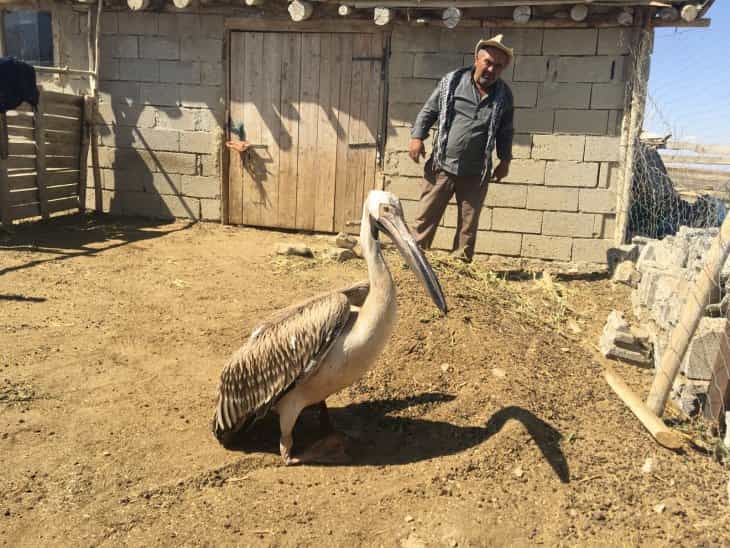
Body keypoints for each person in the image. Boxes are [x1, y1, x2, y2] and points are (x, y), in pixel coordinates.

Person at [408, 34, 515, 262]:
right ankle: (414, 263)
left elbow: (505, 131)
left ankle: (460, 269)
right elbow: (429, 111)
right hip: (442, 166)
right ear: (477, 59)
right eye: (488, 62)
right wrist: (417, 136)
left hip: (476, 173)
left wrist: (505, 160)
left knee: (468, 226)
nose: (491, 70)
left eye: (498, 66)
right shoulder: (452, 82)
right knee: (425, 218)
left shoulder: (504, 95)